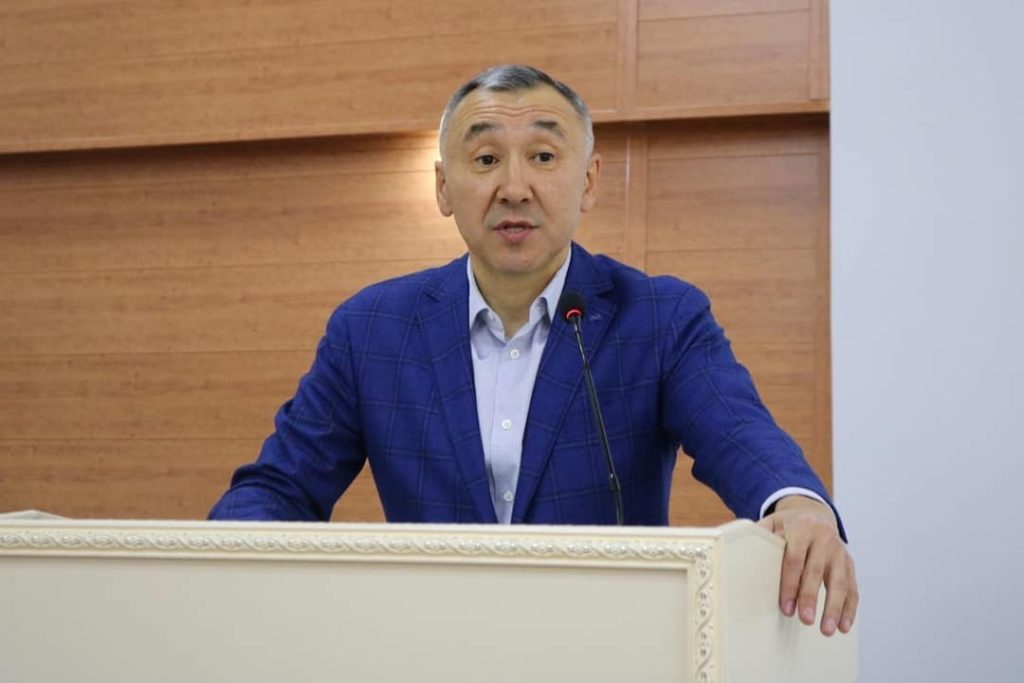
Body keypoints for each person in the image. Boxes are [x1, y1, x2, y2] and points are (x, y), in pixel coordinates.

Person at [209, 65, 857, 637]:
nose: (514, 187)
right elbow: (280, 485)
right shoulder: (371, 329)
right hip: (425, 647)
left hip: (607, 650)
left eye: (543, 156)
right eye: (486, 159)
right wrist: (217, 558)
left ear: (589, 180)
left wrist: (797, 503)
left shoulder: (660, 317)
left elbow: (738, 431)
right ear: (443, 186)